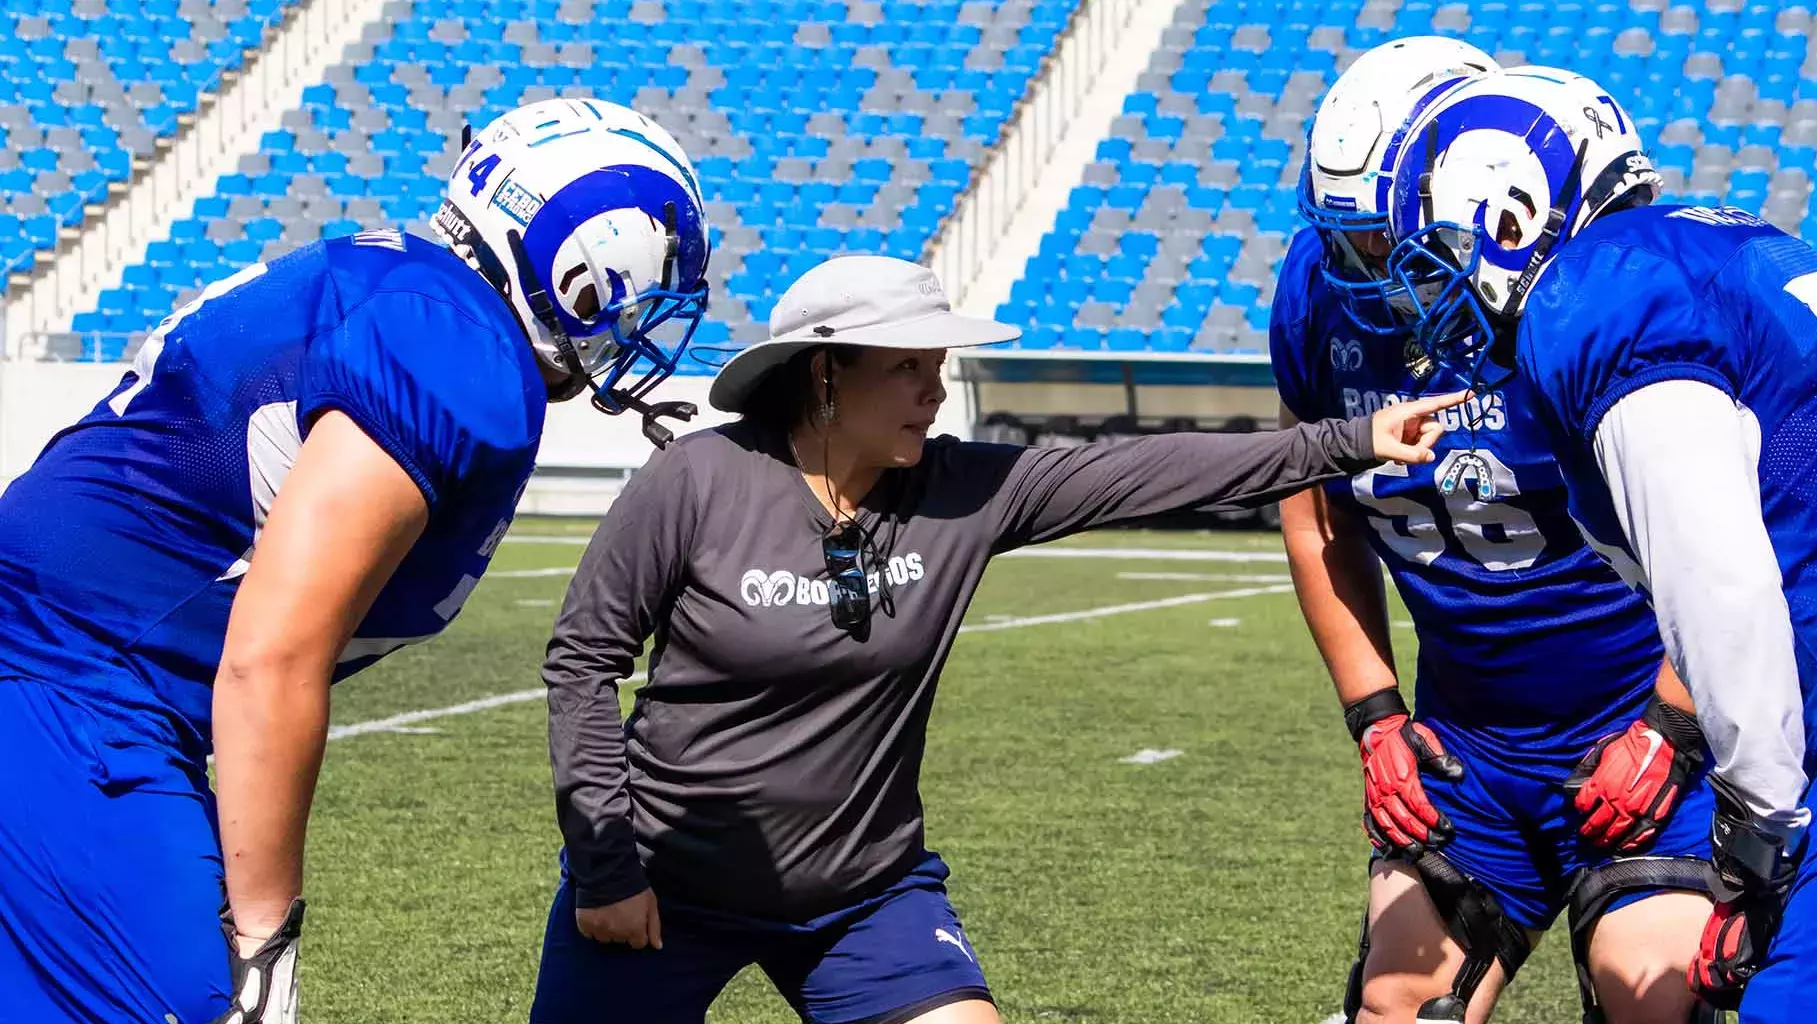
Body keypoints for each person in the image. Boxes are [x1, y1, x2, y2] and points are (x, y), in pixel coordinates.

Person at [531, 253, 1466, 1024]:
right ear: (825, 372)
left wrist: (1347, 440)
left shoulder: (963, 489)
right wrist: (608, 867)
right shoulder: (697, 481)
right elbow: (581, 662)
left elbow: (1144, 470)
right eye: (907, 368)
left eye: (938, 367)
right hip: (662, 892)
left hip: (862, 896)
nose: (934, 392)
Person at [0, 97, 712, 1024]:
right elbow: (272, 654)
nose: (635, 326)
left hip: (77, 672)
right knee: (188, 1003)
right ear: (579, 263)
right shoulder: (454, 349)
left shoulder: (418, 295)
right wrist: (264, 941)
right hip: (73, 682)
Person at [1383, 64, 1817, 1021]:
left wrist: (1762, 825)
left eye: (1446, 255)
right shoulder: (1729, 245)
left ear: (1515, 218)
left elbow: (1718, 572)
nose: (1432, 296)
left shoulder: (1600, 293)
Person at [1274, 43, 1719, 1024]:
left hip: (1643, 726)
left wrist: (1674, 725)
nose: (1360, 273)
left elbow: (1735, 543)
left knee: (1654, 997)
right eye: (1342, 239)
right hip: (1472, 752)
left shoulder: (1588, 305)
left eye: (1382, 242)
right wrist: (1376, 716)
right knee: (1398, 1001)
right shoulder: (1315, 296)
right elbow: (1317, 518)